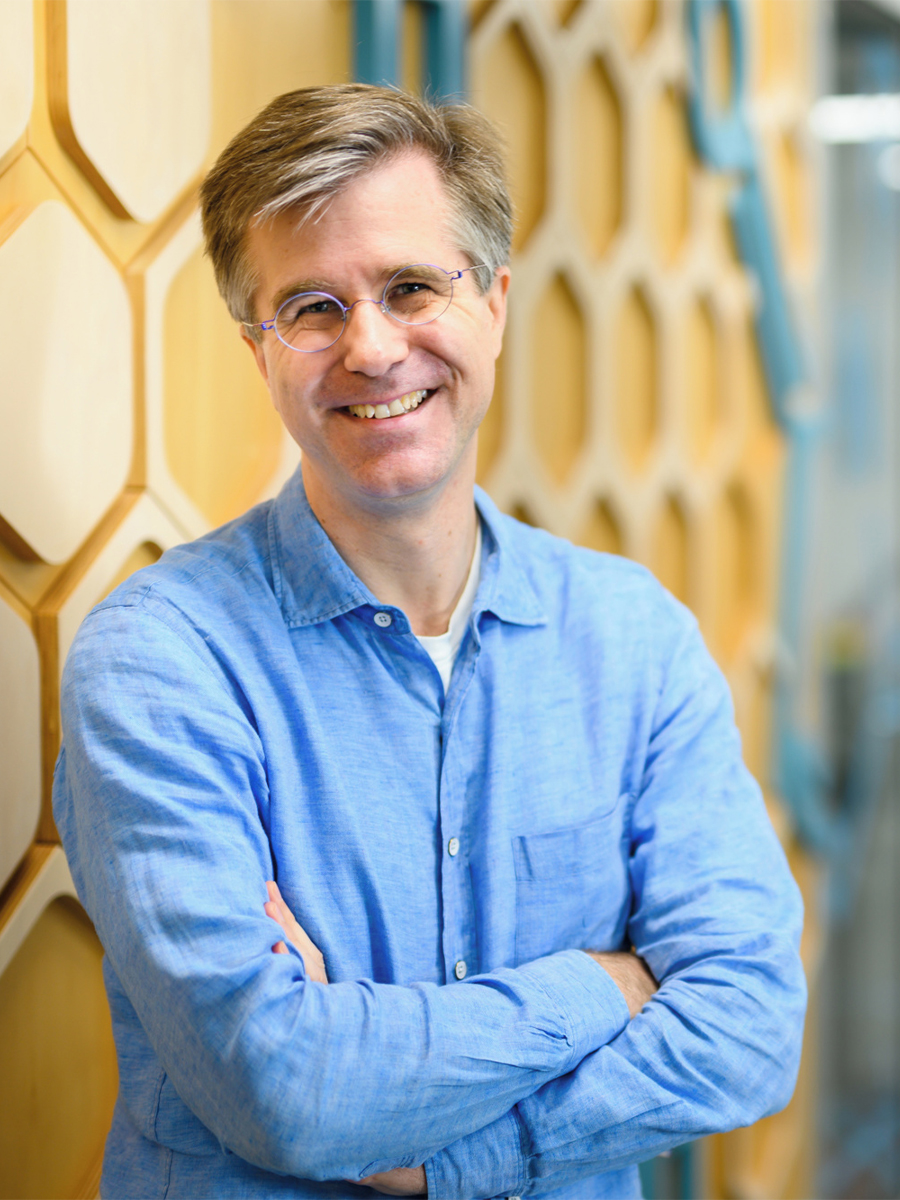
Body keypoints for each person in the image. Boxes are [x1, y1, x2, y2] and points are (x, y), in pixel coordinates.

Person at [53, 85, 806, 1200]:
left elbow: (749, 1032)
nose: (370, 348)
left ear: (494, 304)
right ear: (259, 351)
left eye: (412, 287)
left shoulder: (633, 639)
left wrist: (444, 1163)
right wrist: (607, 984)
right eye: (310, 308)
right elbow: (285, 1088)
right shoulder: (160, 664)